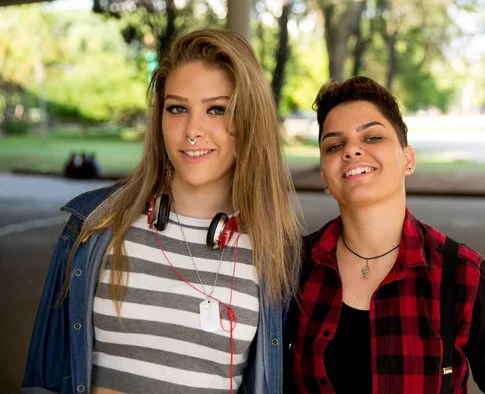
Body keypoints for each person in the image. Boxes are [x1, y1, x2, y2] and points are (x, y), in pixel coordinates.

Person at [21, 29, 302, 394]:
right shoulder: (94, 227)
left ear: (249, 120)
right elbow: (42, 380)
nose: (192, 130)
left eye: (216, 109)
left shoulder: (277, 253)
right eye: (177, 108)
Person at [284, 76, 485, 394]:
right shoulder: (292, 268)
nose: (351, 151)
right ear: (325, 176)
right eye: (335, 145)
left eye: (372, 137)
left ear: (408, 159)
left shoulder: (463, 276)